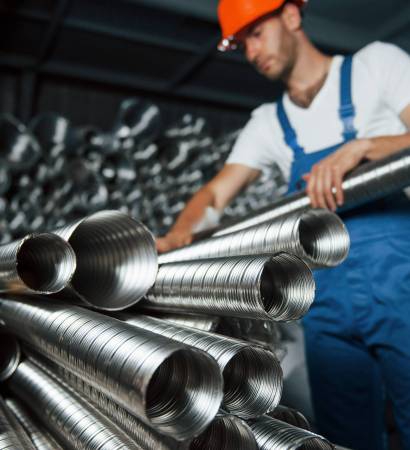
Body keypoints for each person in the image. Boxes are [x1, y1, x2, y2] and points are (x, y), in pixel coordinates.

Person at [156, 1, 410, 449]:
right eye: (241, 44)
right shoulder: (270, 123)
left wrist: (365, 148)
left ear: (291, 16)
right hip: (327, 299)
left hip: (400, 282)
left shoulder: (376, 65)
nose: (251, 52)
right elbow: (215, 195)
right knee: (346, 434)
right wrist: (182, 232)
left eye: (255, 33)